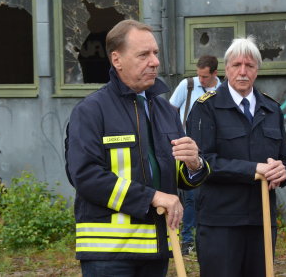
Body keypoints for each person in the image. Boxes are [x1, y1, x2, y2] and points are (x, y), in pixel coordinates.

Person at [65, 19, 210, 277]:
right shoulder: (91, 111)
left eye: (155, 53)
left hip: (156, 248)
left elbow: (173, 175)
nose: (154, 62)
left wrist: (194, 164)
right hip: (109, 254)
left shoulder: (166, 110)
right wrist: (153, 197)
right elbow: (85, 176)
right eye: (143, 54)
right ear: (116, 60)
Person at [187, 36, 286, 277]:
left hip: (261, 221)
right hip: (221, 222)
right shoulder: (205, 107)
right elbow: (203, 162)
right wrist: (254, 170)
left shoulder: (271, 109)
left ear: (257, 70)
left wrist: (283, 172)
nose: (243, 72)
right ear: (226, 69)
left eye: (250, 66)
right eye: (237, 65)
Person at [169, 55, 221, 255]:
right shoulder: (187, 85)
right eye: (199, 76)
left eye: (205, 77)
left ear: (215, 74)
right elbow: (170, 111)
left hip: (209, 150)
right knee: (190, 198)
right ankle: (187, 242)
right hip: (186, 150)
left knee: (207, 197)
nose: (201, 80)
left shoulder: (222, 90)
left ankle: (205, 240)